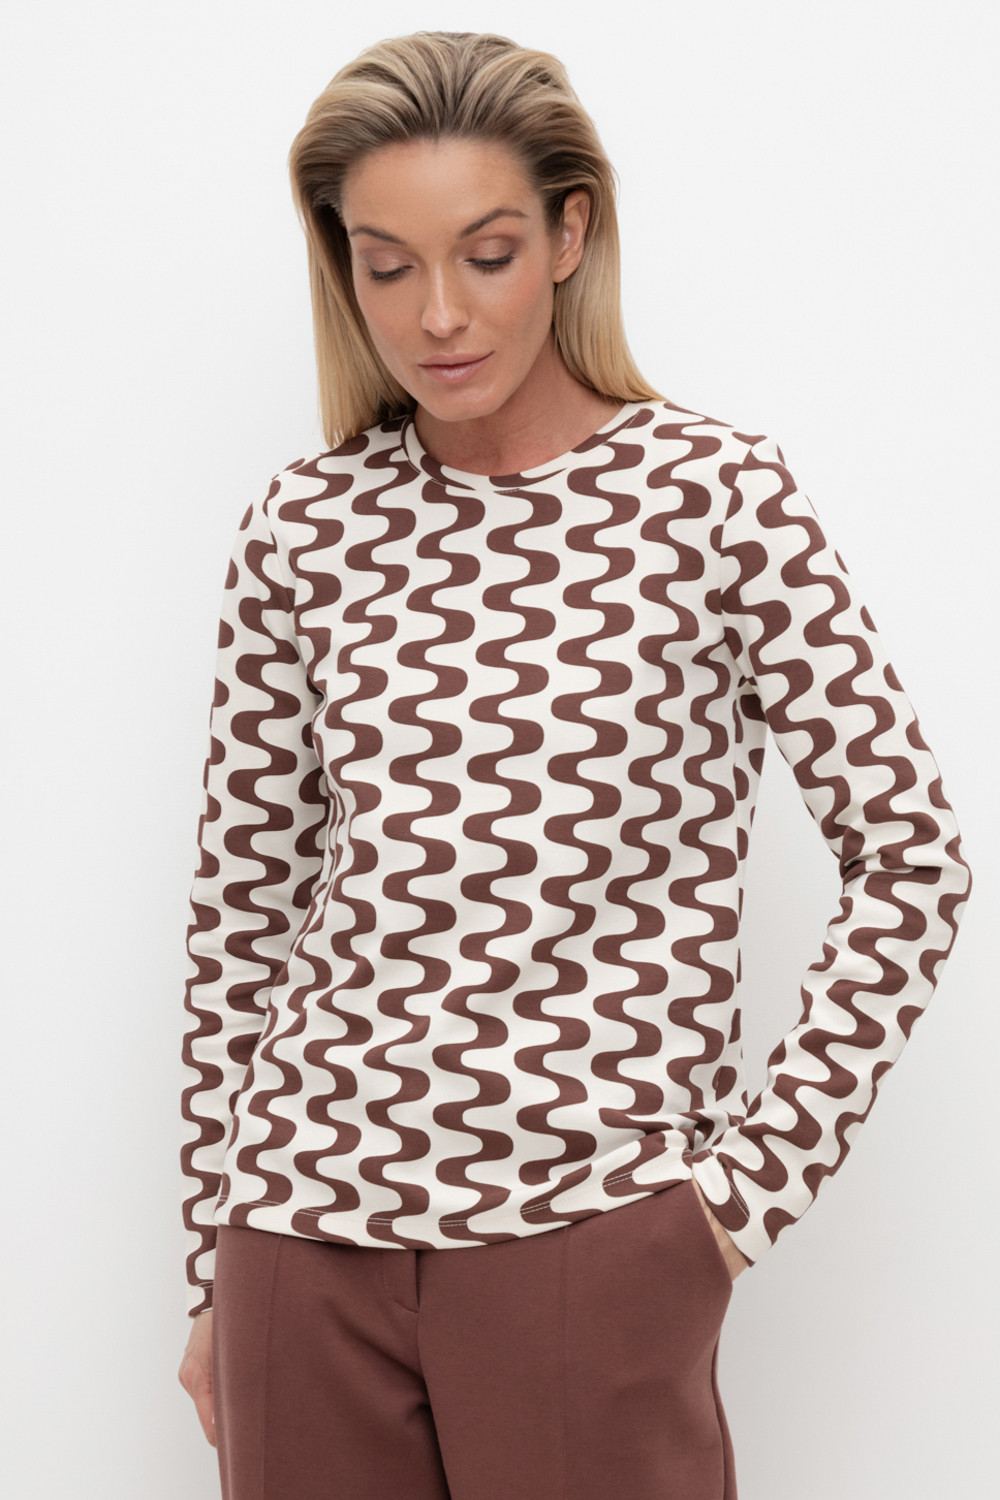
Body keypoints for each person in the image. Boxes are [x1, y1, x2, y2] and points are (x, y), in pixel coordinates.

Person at [176, 30, 972, 1500]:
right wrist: (209, 1265)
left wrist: (731, 1204)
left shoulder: (716, 500)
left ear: (568, 234)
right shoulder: (304, 526)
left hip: (591, 1236)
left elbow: (914, 858)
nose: (438, 314)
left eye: (485, 254)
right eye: (386, 266)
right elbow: (243, 910)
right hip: (301, 1235)